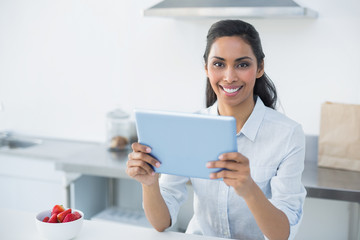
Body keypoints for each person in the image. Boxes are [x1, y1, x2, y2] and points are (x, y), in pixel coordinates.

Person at [126, 19, 306, 240]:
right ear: (206, 68)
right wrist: (150, 183)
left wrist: (249, 189)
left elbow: (282, 234)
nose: (229, 77)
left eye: (242, 64)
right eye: (219, 64)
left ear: (259, 67)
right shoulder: (188, 129)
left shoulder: (287, 135)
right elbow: (161, 223)